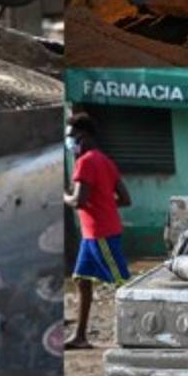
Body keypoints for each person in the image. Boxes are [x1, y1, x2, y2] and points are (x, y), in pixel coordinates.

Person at [63, 113, 130, 350]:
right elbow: (125, 199)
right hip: (92, 234)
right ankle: (80, 336)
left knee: (123, 284)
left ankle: (136, 332)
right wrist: (105, 204)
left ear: (84, 136)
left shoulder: (86, 162)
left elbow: (78, 200)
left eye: (72, 137)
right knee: (82, 280)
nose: (70, 142)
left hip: (101, 233)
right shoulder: (105, 161)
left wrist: (63, 196)